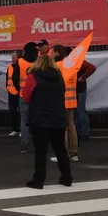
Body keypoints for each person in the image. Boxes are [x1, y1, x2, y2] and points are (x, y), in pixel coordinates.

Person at [21, 54, 72, 189]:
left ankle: (38, 180)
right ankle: (67, 177)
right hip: (58, 117)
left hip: (40, 118)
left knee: (40, 151)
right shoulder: (59, 77)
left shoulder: (33, 77)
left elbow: (26, 96)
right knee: (60, 149)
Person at [50, 46, 81, 162]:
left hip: (61, 100)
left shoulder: (58, 65)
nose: (50, 54)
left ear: (57, 53)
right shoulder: (72, 66)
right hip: (72, 100)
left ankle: (62, 154)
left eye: (52, 52)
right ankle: (73, 153)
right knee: (71, 126)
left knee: (62, 128)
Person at [14, 43, 39, 153]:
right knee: (38, 119)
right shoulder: (39, 62)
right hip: (37, 95)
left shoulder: (19, 62)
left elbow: (15, 79)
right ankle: (40, 144)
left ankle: (24, 144)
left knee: (24, 119)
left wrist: (20, 89)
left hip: (23, 95)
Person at [74, 56, 97, 142]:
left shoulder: (78, 61)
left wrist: (82, 78)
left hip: (78, 90)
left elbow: (92, 68)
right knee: (78, 112)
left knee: (79, 111)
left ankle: (83, 132)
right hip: (78, 89)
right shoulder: (77, 61)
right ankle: (81, 132)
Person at [6, 50, 22, 138]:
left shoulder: (21, 66)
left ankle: (21, 130)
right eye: (12, 57)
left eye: (14, 57)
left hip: (20, 92)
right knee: (12, 112)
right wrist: (7, 87)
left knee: (21, 112)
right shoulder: (9, 66)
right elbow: (7, 78)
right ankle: (15, 129)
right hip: (11, 92)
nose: (13, 59)